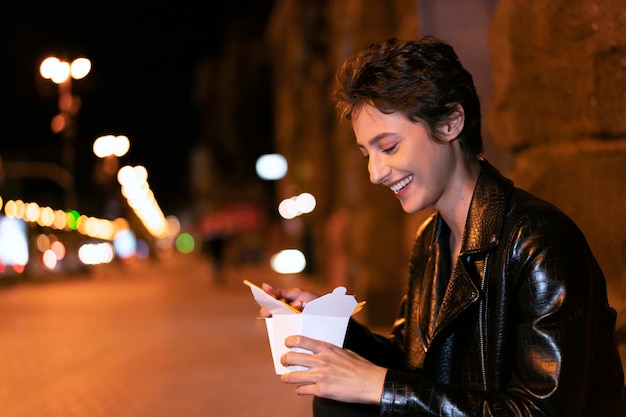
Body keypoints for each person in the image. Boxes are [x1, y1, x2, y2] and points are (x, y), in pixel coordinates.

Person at [260, 36, 626, 416]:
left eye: (388, 147)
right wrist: (333, 327)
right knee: (337, 397)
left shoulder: (539, 240)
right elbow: (413, 364)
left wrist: (382, 387)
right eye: (366, 154)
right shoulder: (431, 239)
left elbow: (539, 411)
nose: (374, 173)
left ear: (451, 122)